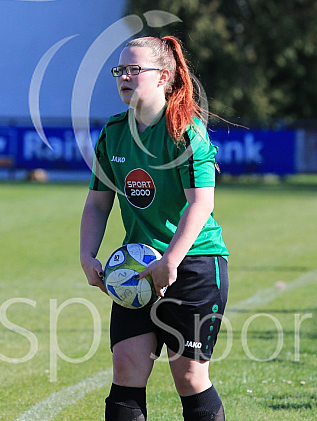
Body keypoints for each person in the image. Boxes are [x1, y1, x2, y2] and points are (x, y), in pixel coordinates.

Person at [80, 36, 228, 420]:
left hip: (194, 263)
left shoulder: (186, 131)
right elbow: (98, 202)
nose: (124, 77)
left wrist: (171, 261)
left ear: (163, 76)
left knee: (190, 377)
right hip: (135, 267)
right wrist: (86, 254)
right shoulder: (113, 132)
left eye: (134, 69)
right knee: (127, 369)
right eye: (120, 70)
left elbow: (201, 203)